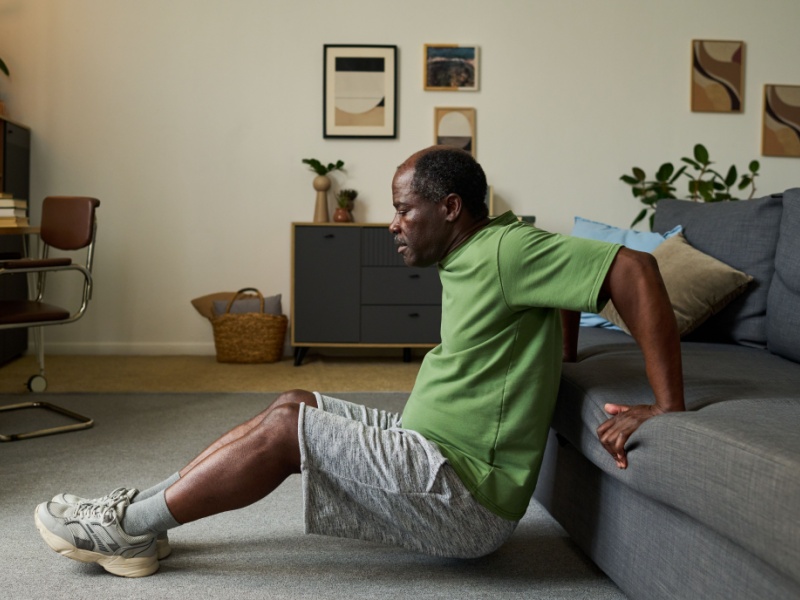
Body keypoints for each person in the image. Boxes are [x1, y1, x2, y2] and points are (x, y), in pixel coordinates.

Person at [34, 146, 684, 578]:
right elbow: (577, 281)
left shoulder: (504, 251)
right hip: (426, 448)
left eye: (405, 210)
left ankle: (126, 530)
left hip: (465, 494)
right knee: (295, 405)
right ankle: (140, 512)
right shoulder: (487, 254)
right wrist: (561, 352)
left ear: (450, 209)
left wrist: (667, 405)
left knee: (288, 434)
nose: (393, 224)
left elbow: (633, 267)